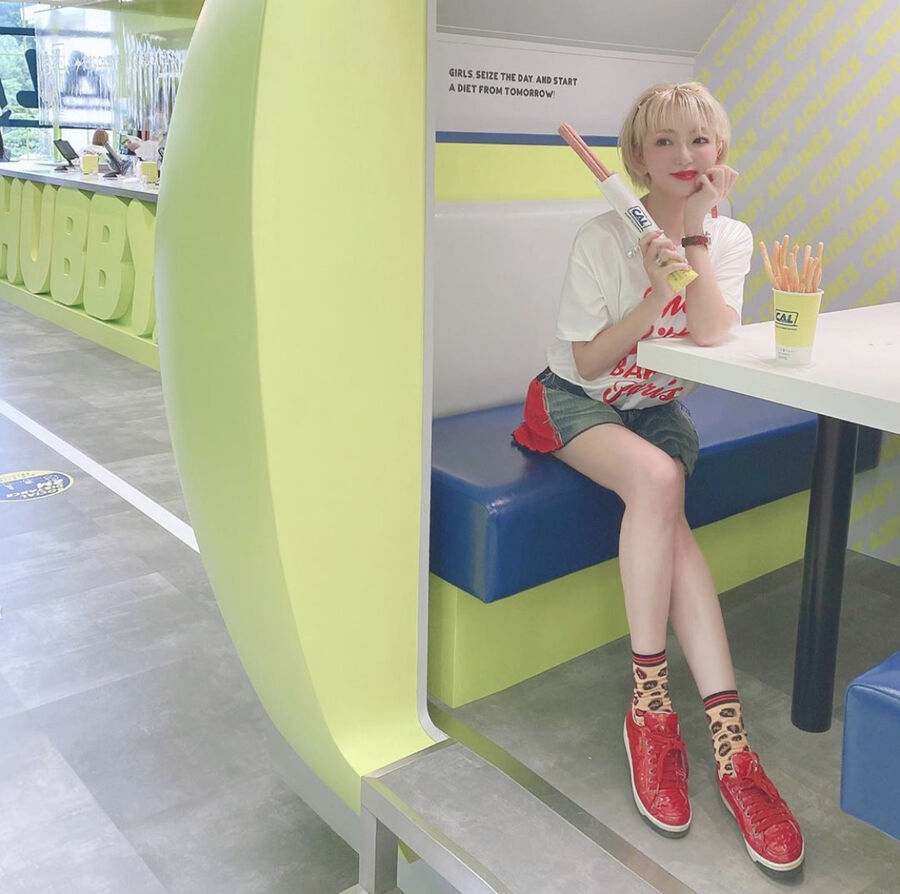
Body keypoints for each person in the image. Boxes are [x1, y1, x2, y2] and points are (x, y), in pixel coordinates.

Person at [512, 82, 804, 872]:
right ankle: (654, 711)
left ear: (721, 152)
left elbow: (709, 333)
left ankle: (731, 748)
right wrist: (650, 295)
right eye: (665, 141)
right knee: (657, 482)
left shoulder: (730, 234)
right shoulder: (602, 236)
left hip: (657, 408)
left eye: (699, 140)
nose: (684, 155)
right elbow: (585, 363)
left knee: (664, 495)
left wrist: (697, 237)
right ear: (637, 157)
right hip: (575, 402)